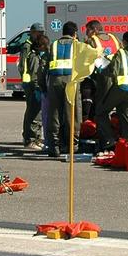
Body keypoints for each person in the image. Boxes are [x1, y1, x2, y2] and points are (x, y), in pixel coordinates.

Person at [94, 31, 128, 149]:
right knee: (127, 117)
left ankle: (110, 140)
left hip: (119, 89)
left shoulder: (120, 53)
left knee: (101, 112)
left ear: (124, 42)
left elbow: (113, 71)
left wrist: (101, 69)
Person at [44, 21, 83, 158]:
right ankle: (73, 145)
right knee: (72, 113)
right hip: (71, 82)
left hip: (54, 81)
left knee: (54, 113)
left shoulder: (53, 45)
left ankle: (54, 146)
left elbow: (43, 68)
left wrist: (44, 87)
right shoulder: (77, 45)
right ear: (75, 33)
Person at [85, 20, 120, 128]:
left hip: (102, 77)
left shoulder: (92, 41)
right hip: (118, 77)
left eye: (88, 30)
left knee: (101, 109)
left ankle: (104, 138)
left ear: (95, 29)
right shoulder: (114, 39)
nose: (86, 33)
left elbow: (87, 58)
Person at [18, 23, 46, 149]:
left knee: (36, 111)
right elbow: (24, 66)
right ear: (33, 32)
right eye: (38, 33)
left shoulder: (35, 47)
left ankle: (36, 137)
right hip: (31, 83)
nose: (40, 35)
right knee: (33, 112)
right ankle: (30, 139)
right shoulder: (27, 47)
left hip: (34, 82)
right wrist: (33, 84)